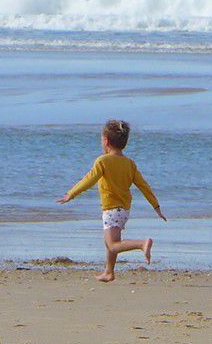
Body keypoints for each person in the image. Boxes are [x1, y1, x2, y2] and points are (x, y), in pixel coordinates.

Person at [57, 119, 166, 282]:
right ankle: (109, 271)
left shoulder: (103, 161)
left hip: (111, 209)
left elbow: (89, 179)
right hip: (123, 210)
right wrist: (156, 206)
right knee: (109, 242)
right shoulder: (129, 163)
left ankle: (142, 244)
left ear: (106, 141)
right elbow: (144, 186)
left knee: (113, 244)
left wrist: (70, 194)